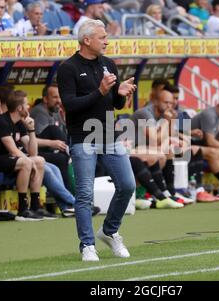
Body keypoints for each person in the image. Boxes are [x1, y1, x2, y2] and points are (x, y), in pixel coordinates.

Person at [57, 19, 137, 262]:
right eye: (102, 37)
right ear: (87, 40)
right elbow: (70, 105)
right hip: (83, 137)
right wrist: (100, 92)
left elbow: (113, 103)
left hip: (109, 135)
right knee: (84, 195)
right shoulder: (68, 68)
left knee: (128, 185)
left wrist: (120, 94)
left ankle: (110, 232)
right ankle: (87, 245)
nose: (107, 41)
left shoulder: (108, 63)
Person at [0, 90, 48, 221]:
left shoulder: (20, 123)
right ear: (20, 107)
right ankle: (22, 209)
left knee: (40, 160)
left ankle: (35, 206)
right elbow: (12, 150)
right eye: (27, 104)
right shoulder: (1, 121)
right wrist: (29, 161)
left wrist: (31, 129)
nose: (29, 107)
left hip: (12, 159)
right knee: (27, 162)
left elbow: (33, 152)